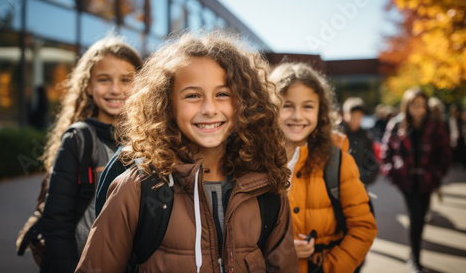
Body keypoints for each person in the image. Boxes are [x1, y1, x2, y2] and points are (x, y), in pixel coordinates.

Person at [75, 32, 299, 273]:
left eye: (223, 94)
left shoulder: (266, 188)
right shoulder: (137, 188)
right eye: (193, 95)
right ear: (166, 104)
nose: (209, 109)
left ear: (245, 102)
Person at [38, 35, 143, 273]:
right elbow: (56, 222)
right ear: (88, 85)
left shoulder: (150, 140)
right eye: (104, 80)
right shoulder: (78, 140)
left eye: (126, 80)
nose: (116, 89)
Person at [269, 62, 377, 273]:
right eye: (287, 105)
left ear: (321, 111)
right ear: (270, 106)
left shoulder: (337, 161)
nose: (298, 116)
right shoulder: (250, 160)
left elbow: (364, 228)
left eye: (308, 106)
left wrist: (328, 269)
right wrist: (278, 251)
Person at [381, 87, 452, 273]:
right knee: (416, 217)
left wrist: (437, 174)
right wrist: (393, 174)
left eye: (422, 105)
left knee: (420, 215)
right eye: (415, 104)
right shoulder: (397, 124)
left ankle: (414, 255)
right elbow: (386, 152)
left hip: (428, 180)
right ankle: (416, 259)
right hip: (407, 181)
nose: (419, 109)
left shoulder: (434, 125)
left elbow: (445, 152)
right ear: (407, 105)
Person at [340, 97, 379, 186]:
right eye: (353, 116)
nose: (356, 120)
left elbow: (372, 161)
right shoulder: (338, 135)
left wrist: (365, 178)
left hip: (359, 182)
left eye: (359, 116)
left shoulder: (365, 136)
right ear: (345, 115)